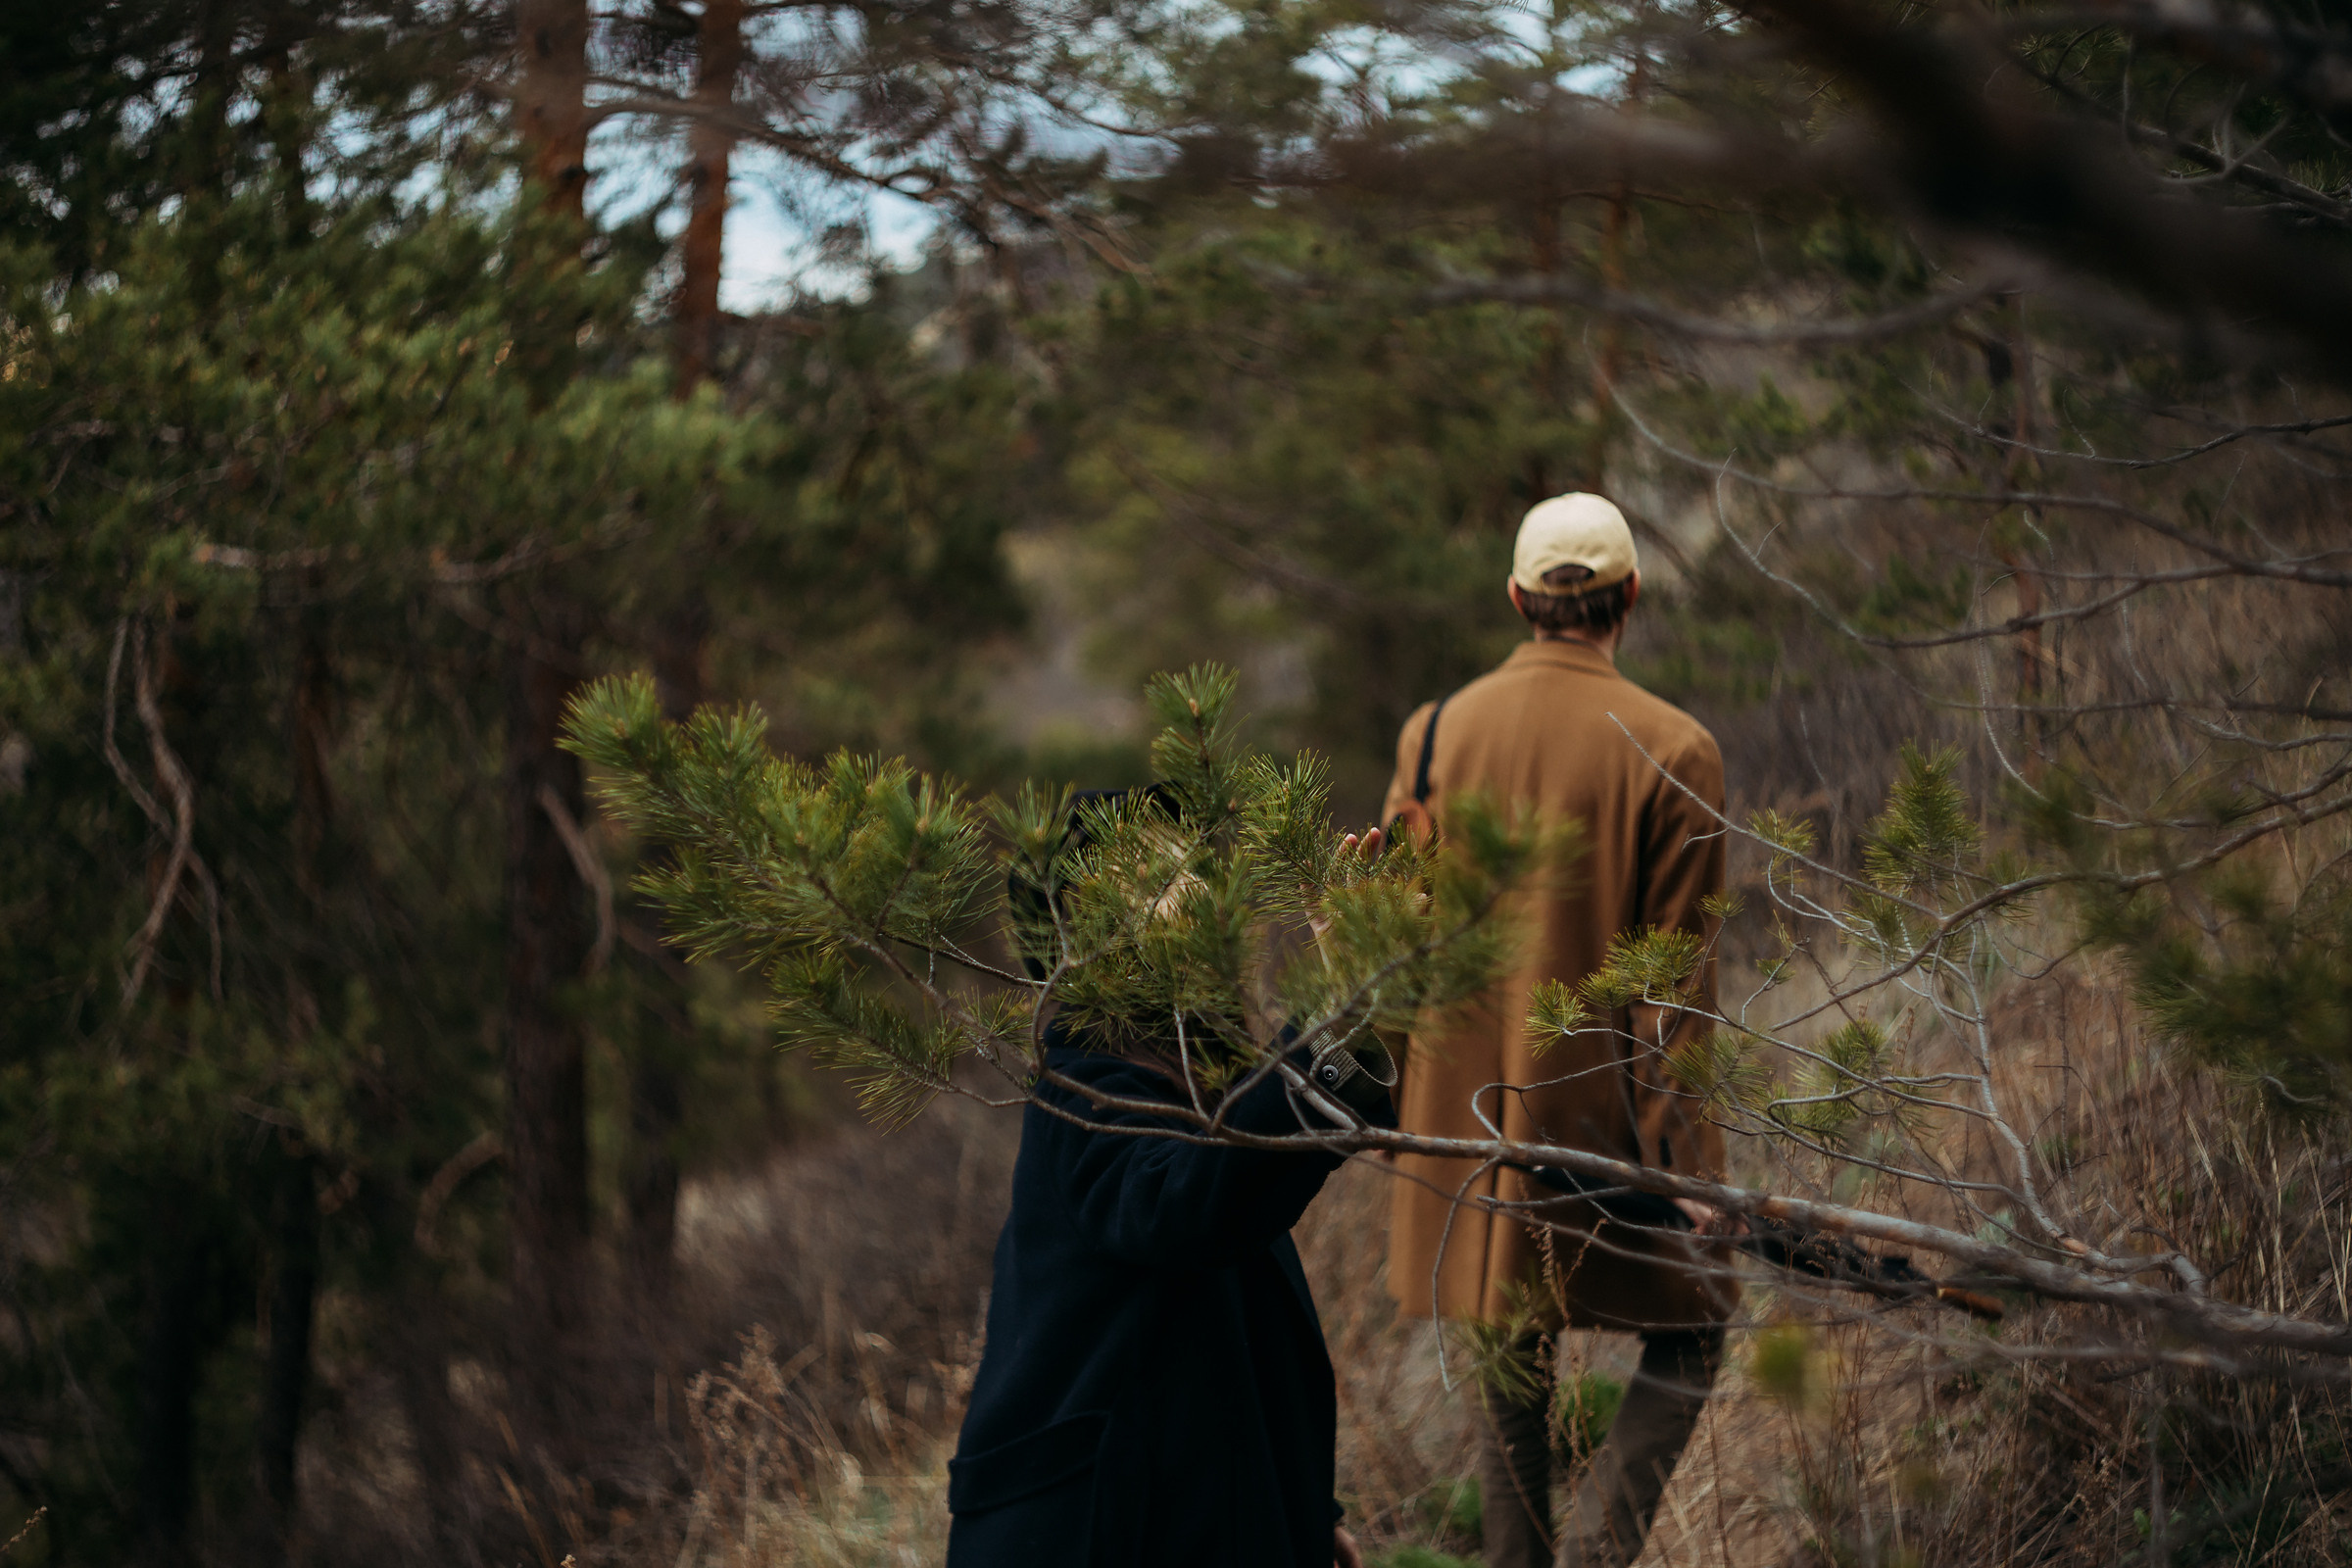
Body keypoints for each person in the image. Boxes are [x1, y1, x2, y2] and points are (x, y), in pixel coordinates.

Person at [1380, 493, 1737, 1568]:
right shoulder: (1677, 747)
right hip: (1601, 1128)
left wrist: (1394, 1109)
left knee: (1510, 1348)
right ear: (1631, 596)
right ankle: (1594, 1554)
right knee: (1700, 1318)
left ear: (1517, 601)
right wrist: (1693, 1170)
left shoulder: (1436, 732)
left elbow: (1390, 936)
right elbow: (1671, 991)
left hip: (1461, 1130)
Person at [945, 802, 1392, 1568]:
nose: (1196, 892)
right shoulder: (1085, 1084)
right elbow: (1188, 1207)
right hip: (1089, 1531)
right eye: (1156, 876)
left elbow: (1241, 1331)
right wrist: (1338, 999)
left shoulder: (1195, 1074)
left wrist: (1305, 1507)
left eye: (1192, 867)